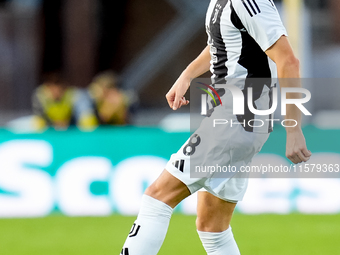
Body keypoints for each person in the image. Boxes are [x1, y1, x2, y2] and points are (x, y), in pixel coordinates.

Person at [119, 0, 312, 254]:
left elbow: (288, 61)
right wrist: (187, 74)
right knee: (213, 227)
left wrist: (293, 128)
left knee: (158, 197)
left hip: (237, 116)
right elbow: (222, 41)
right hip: (240, 119)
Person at [32, 72, 98, 130]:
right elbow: (39, 121)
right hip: (51, 131)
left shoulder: (76, 95)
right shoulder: (40, 96)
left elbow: (87, 119)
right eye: (51, 87)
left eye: (57, 86)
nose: (55, 91)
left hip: (73, 130)